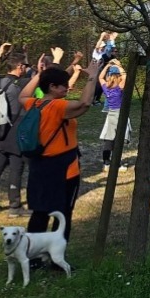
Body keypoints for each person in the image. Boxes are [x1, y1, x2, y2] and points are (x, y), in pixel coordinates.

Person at [20, 54, 103, 244]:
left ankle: (33, 256)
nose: (67, 87)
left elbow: (22, 95)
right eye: (63, 85)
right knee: (63, 213)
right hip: (64, 168)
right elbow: (85, 103)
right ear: (52, 87)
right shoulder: (59, 107)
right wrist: (92, 76)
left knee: (40, 211)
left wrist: (40, 75)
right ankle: (56, 257)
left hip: (39, 166)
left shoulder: (33, 103)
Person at [0, 42, 28, 216]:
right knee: (16, 169)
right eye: (23, 65)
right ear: (19, 67)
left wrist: (0, 52)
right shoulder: (22, 84)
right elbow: (41, 78)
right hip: (15, 133)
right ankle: (15, 206)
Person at [97, 59, 130, 171]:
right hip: (120, 115)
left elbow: (100, 77)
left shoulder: (107, 88)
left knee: (109, 138)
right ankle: (117, 164)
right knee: (118, 140)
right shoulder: (119, 88)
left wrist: (107, 66)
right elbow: (125, 76)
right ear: (117, 77)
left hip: (110, 114)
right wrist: (119, 65)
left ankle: (106, 162)